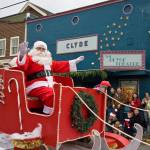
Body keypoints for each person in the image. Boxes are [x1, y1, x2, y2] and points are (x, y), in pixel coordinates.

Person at [16, 41, 84, 115]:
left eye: (43, 49)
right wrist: (22, 54)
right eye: (39, 48)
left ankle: (66, 114)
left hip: (51, 85)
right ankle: (49, 115)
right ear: (34, 49)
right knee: (52, 95)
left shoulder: (49, 61)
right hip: (35, 86)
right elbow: (22, 65)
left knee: (65, 93)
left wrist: (73, 62)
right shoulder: (30, 59)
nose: (41, 51)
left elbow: (60, 65)